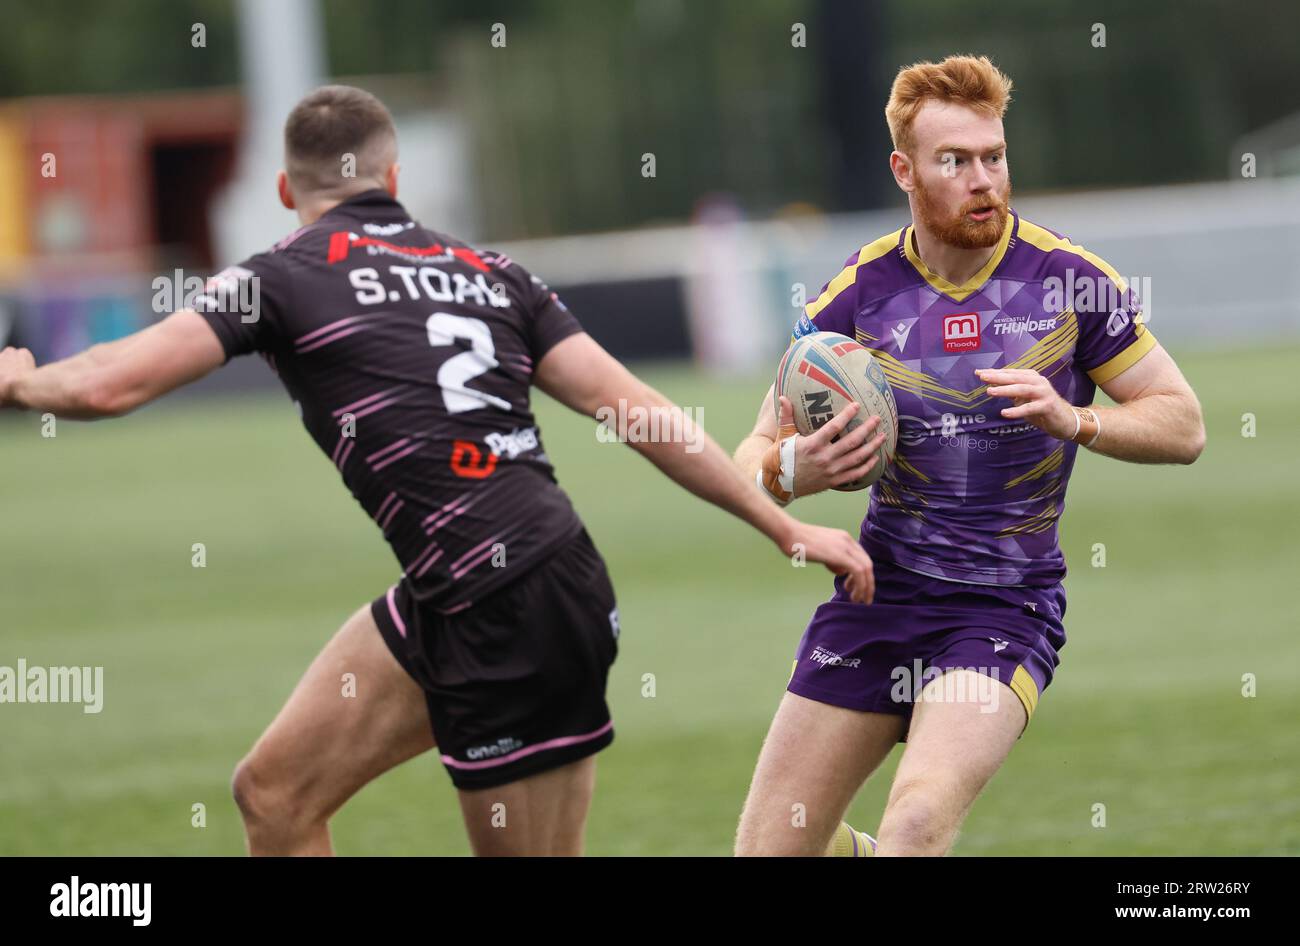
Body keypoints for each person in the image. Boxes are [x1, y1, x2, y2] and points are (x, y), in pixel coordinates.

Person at [0, 84, 875, 856]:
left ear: (284, 193)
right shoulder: (491, 273)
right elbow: (641, 414)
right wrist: (784, 525)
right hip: (487, 588)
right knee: (273, 794)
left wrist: (21, 378)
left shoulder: (277, 276)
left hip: (510, 604)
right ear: (393, 183)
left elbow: (110, 384)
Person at [732, 55, 1205, 856]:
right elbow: (753, 452)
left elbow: (1183, 424)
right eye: (955, 161)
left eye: (995, 156)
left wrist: (1076, 421)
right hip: (876, 600)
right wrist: (787, 473)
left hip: (1000, 608)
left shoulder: (1069, 282)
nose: (984, 179)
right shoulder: (855, 295)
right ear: (905, 170)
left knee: (916, 821)